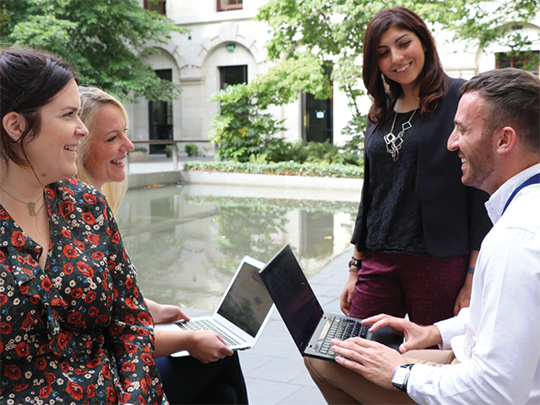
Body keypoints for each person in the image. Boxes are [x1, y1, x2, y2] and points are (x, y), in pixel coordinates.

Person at [305, 67, 540, 404]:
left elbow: (496, 391)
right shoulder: (522, 216)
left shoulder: (516, 239)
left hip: (482, 388)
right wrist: (434, 331)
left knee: (329, 359)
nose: (451, 143)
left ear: (504, 140)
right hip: (470, 362)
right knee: (327, 354)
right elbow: (508, 315)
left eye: (461, 130)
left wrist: (398, 373)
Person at [0, 49, 166, 403]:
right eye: (69, 114)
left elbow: (132, 324)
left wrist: (135, 397)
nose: (82, 129)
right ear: (16, 125)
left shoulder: (87, 205)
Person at [76, 86, 249, 404]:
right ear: (78, 146)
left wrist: (153, 309)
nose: (128, 146)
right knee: (222, 357)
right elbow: (108, 329)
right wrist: (189, 339)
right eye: (112, 139)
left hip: (117, 357)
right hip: (104, 373)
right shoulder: (73, 219)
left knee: (221, 395)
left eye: (125, 134)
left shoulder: (96, 208)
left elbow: (108, 297)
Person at [341, 6, 492, 326]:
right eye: (383, 52)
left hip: (439, 261)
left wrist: (472, 275)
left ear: (423, 42)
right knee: (351, 350)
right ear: (376, 63)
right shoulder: (379, 112)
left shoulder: (460, 98)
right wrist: (356, 266)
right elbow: (371, 193)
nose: (396, 57)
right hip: (379, 258)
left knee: (433, 361)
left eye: (403, 43)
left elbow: (480, 192)